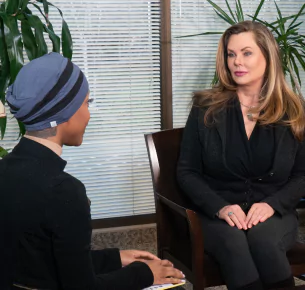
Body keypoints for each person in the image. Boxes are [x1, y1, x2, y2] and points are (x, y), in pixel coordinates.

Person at [0, 52, 184, 290]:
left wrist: (115, 258)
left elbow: (43, 261)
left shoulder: (5, 171)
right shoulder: (64, 191)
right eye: (86, 103)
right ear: (64, 112)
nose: (88, 114)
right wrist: (144, 274)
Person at [177, 20, 305, 290]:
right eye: (231, 54)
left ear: (267, 56)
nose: (237, 62)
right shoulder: (206, 107)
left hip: (274, 211)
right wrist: (220, 207)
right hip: (217, 212)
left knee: (264, 241)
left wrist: (272, 204)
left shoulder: (294, 110)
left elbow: (302, 174)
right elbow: (187, 171)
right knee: (234, 244)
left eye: (247, 53)